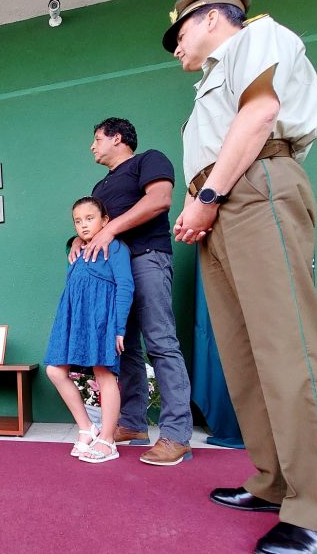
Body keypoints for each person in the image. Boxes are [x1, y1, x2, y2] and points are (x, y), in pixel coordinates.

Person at [164, 0, 317, 553]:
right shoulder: (208, 82)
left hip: (254, 188)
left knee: (288, 346)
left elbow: (261, 113)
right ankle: (276, 481)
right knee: (245, 356)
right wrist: (198, 203)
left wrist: (208, 196)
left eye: (178, 34)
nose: (175, 48)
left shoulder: (259, 35)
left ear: (208, 20)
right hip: (221, 202)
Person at [69, 118, 194, 466]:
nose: (93, 147)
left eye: (97, 139)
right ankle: (133, 423)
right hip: (112, 270)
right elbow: (95, 225)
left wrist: (111, 232)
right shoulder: (100, 185)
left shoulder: (149, 160)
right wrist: (78, 241)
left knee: (161, 343)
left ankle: (176, 435)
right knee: (125, 349)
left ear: (118, 138)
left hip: (147, 258)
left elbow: (160, 200)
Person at [45, 197, 133, 463]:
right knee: (54, 370)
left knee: (104, 373)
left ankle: (107, 440)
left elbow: (125, 286)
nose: (83, 225)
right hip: (72, 317)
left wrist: (118, 327)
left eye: (90, 219)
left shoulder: (116, 248)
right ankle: (87, 428)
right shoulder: (76, 251)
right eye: (78, 221)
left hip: (101, 318)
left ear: (105, 221)